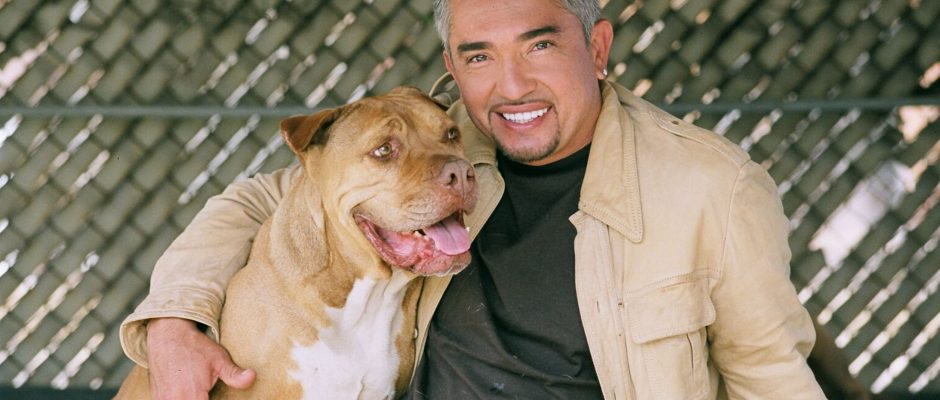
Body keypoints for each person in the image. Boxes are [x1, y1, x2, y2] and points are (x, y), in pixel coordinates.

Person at [120, 0, 827, 398]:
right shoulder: (442, 139)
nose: (511, 85)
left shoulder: (713, 187)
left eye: (540, 46)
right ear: (453, 67)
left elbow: (769, 377)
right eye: (479, 56)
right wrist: (173, 321)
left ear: (598, 47)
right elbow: (258, 199)